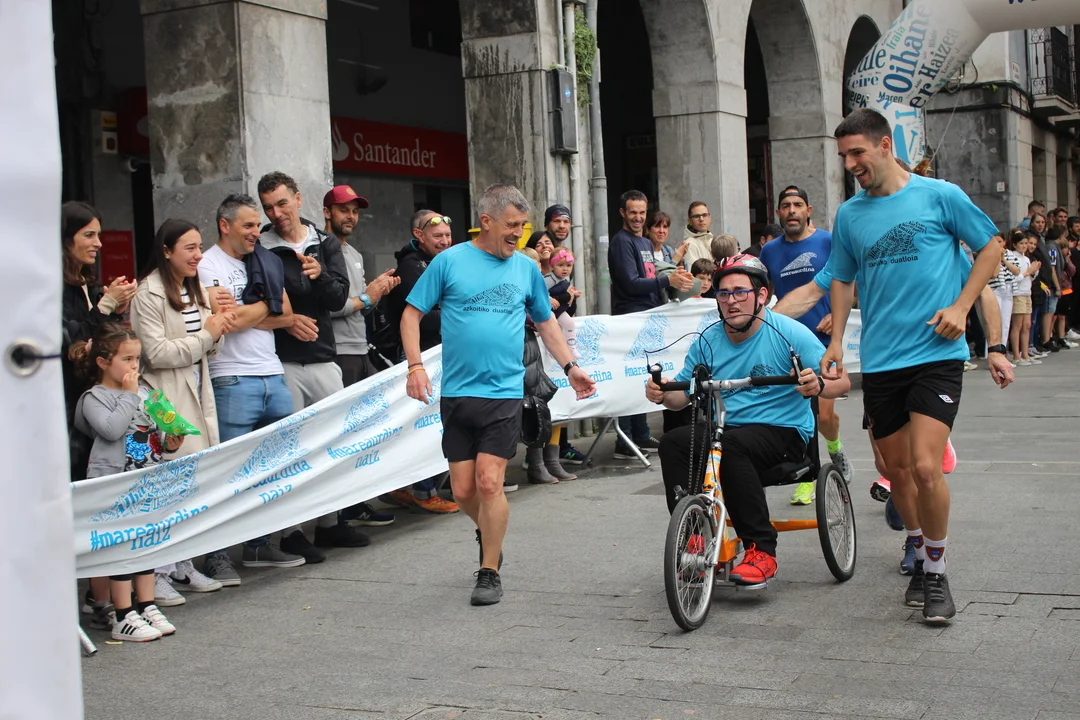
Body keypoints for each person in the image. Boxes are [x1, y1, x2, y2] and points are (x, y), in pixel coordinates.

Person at [820, 108, 1012, 624]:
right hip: (882, 360)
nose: (850, 164)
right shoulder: (850, 215)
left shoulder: (940, 195)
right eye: (844, 156)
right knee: (896, 471)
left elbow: (991, 248)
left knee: (926, 467)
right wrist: (835, 341)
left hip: (936, 355)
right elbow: (841, 278)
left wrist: (961, 308)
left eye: (857, 153)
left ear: (885, 145)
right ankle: (919, 544)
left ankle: (937, 574)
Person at [402, 183, 596, 606]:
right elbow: (411, 314)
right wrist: (415, 367)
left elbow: (546, 322)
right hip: (458, 393)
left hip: (506, 392)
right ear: (486, 221)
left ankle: (489, 570)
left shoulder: (525, 268)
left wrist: (571, 367)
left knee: (490, 482)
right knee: (463, 491)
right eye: (512, 225)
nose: (518, 234)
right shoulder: (449, 262)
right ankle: (489, 530)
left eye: (523, 226)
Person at [651, 255, 850, 587]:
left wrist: (818, 384)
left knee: (729, 446)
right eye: (723, 293)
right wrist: (661, 392)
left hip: (784, 432)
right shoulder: (708, 340)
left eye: (740, 292)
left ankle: (761, 549)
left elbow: (841, 382)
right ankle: (695, 534)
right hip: (727, 431)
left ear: (761, 295)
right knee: (674, 443)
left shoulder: (788, 333)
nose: (731, 301)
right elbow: (680, 397)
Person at [197, 193, 305, 585]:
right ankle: (217, 556)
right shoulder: (207, 264)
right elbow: (222, 320)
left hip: (272, 374)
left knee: (272, 467)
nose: (256, 232)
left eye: (257, 225)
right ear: (224, 225)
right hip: (230, 376)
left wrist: (249, 312)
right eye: (248, 225)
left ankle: (258, 545)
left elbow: (287, 313)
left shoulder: (265, 260)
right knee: (227, 471)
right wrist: (267, 306)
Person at [130, 218, 237, 606]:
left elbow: (211, 347)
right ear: (166, 251)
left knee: (192, 484)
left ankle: (183, 564)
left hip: (198, 389)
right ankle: (158, 573)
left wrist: (218, 328)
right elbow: (156, 353)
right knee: (166, 485)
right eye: (189, 248)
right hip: (163, 398)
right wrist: (209, 333)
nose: (198, 255)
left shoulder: (195, 289)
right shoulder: (148, 293)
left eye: (199, 247)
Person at [72, 324, 181, 641]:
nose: (134, 366)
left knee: (144, 543)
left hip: (148, 478)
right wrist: (130, 396)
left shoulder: (145, 391)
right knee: (119, 544)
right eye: (127, 359)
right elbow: (111, 429)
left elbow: (156, 430)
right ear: (103, 362)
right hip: (115, 482)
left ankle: (145, 605)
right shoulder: (94, 397)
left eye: (137, 359)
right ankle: (119, 613)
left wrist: (171, 441)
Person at [62, 201, 134, 628]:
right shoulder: (50, 286)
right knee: (81, 502)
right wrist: (105, 307)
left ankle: (100, 594)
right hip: (67, 409)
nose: (98, 243)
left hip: (96, 400)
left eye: (99, 234)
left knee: (101, 503)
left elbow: (94, 343)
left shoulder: (84, 283)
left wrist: (115, 309)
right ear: (65, 238)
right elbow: (66, 342)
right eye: (88, 235)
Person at [759, 186, 853, 506]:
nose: (792, 210)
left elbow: (850, 282)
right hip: (786, 343)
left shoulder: (828, 241)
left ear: (808, 210)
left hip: (823, 340)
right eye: (785, 205)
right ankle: (808, 476)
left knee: (824, 415)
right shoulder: (770, 251)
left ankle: (835, 449)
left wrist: (837, 315)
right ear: (778, 213)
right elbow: (765, 292)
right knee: (802, 412)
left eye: (798, 204)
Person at [322, 185, 400, 527]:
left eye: (355, 211)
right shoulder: (320, 251)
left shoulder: (353, 253)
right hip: (337, 352)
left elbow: (360, 306)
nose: (351, 217)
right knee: (340, 435)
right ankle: (338, 513)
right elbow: (330, 306)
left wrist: (376, 294)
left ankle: (355, 502)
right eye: (344, 210)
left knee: (362, 432)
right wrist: (368, 297)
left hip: (359, 347)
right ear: (327, 213)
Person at [378, 209, 461, 510]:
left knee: (441, 422)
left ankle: (413, 485)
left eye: (448, 235)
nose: (445, 241)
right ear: (419, 235)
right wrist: (460, 313)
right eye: (437, 236)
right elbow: (419, 319)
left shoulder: (443, 262)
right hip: (420, 357)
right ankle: (424, 492)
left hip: (440, 354)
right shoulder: (412, 267)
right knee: (425, 423)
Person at [609, 190, 695, 459]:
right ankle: (625, 439)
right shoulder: (621, 242)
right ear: (622, 212)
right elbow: (631, 284)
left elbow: (653, 276)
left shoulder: (645, 243)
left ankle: (641, 433)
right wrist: (668, 281)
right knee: (630, 377)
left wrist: (676, 281)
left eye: (642, 213)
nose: (638, 217)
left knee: (645, 377)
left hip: (650, 315)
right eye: (633, 212)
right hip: (630, 317)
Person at [1010, 233, 1038, 365]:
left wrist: (1034, 271)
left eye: (1026, 243)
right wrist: (1028, 272)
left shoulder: (1026, 258)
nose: (1024, 246)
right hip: (1018, 293)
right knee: (1017, 325)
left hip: (1027, 292)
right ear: (1014, 244)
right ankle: (1016, 355)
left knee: (1027, 325)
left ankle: (1025, 353)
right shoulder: (1012, 257)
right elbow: (1015, 278)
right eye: (1021, 243)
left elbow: (1030, 277)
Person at [682, 201, 715, 269]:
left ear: (709, 218)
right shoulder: (689, 244)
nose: (701, 219)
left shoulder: (714, 240)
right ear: (690, 221)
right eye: (696, 216)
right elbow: (692, 273)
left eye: (704, 215)